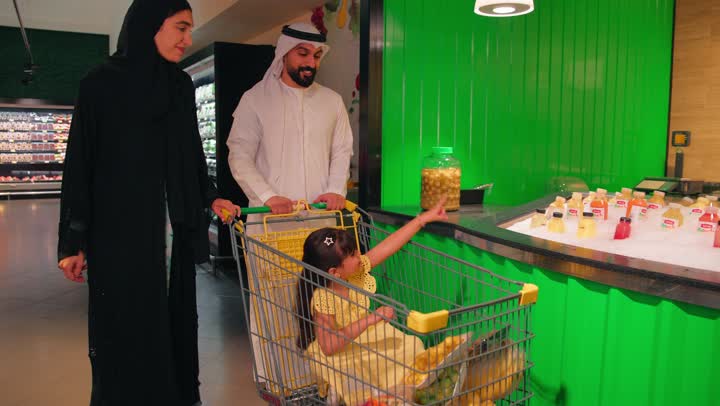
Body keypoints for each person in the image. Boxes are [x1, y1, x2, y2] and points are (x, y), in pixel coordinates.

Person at [56, 1, 240, 405]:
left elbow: (192, 153)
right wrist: (73, 240)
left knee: (174, 323)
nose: (187, 39)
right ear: (148, 27)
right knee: (124, 325)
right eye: (180, 28)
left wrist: (211, 195)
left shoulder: (179, 86)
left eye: (190, 29)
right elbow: (81, 164)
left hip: (173, 231)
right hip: (118, 235)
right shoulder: (99, 84)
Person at [296, 198, 449, 405]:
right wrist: (371, 319)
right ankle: (371, 400)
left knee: (412, 344)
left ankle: (404, 395)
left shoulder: (356, 272)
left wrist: (422, 219)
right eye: (351, 255)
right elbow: (330, 346)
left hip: (366, 338)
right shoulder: (323, 297)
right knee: (355, 370)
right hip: (340, 352)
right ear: (335, 272)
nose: (359, 256)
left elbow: (388, 246)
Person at [226, 22, 354, 214]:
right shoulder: (255, 99)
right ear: (284, 54)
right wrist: (267, 196)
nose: (311, 63)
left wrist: (335, 190)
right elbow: (240, 155)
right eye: (303, 54)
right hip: (270, 220)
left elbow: (342, 151)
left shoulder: (333, 101)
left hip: (319, 216)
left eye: (317, 56)